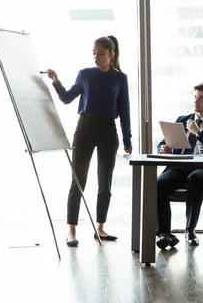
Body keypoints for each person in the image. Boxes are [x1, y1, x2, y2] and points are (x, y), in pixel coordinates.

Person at [46, 35, 132, 247]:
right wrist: (56, 82)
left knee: (105, 182)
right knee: (78, 181)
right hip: (85, 129)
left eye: (100, 54)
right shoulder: (85, 75)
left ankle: (100, 228)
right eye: (93, 53)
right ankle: (72, 231)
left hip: (108, 131)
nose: (96, 57)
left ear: (111, 55)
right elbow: (67, 98)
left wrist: (127, 138)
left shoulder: (120, 79)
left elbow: (124, 111)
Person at [155, 83, 203, 249]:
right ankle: (164, 233)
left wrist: (199, 133)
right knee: (159, 183)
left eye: (201, 98)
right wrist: (163, 149)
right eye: (195, 97)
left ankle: (190, 230)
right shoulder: (182, 120)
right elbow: (163, 142)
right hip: (179, 168)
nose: (196, 101)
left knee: (195, 178)